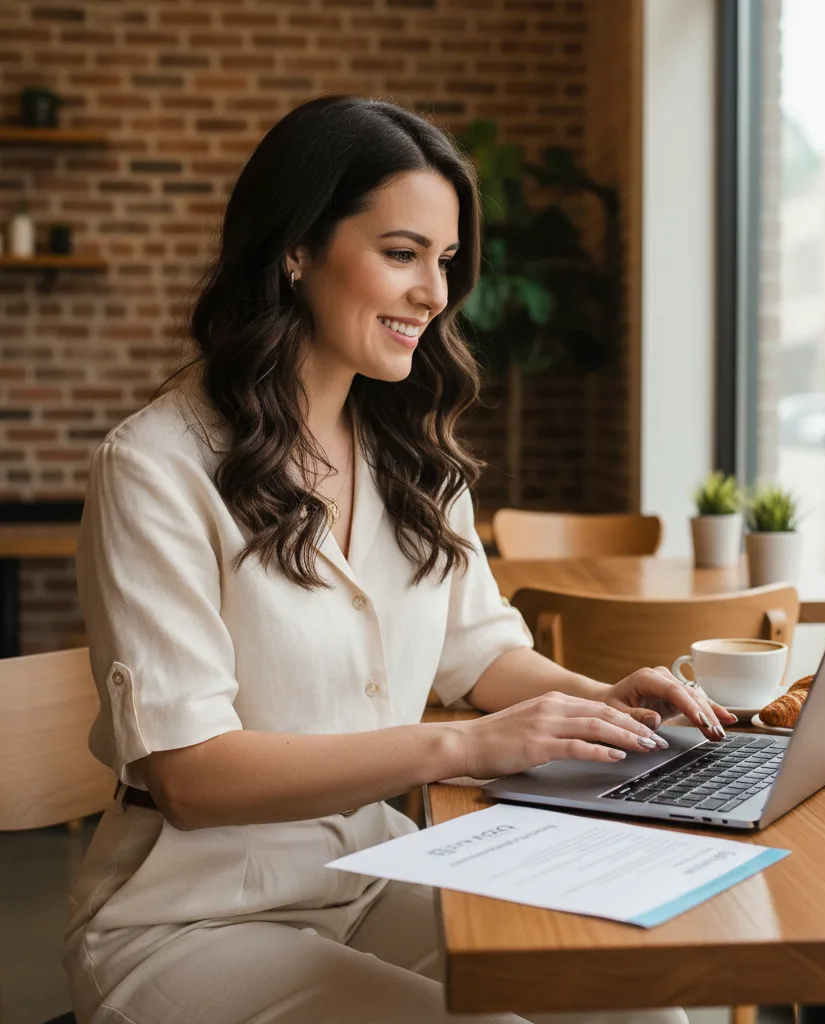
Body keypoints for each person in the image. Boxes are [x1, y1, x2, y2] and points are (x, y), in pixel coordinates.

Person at [64, 95, 735, 1024]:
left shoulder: (410, 453)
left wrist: (600, 701)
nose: (436, 292)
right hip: (193, 921)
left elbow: (479, 654)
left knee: (635, 1003)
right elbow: (189, 774)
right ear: (295, 250)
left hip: (370, 877)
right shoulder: (155, 466)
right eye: (401, 253)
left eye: (447, 260)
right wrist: (461, 744)